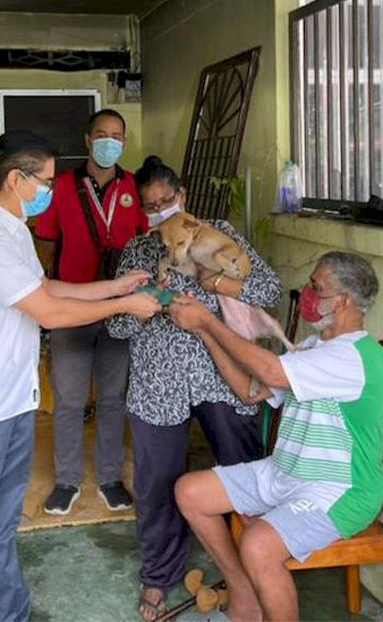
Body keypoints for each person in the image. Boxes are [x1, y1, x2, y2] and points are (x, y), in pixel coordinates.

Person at [0, 130, 160, 622]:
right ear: (15, 179)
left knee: (1, 524)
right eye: (45, 181)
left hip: (11, 400)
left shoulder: (13, 228)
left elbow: (45, 287)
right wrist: (127, 305)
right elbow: (48, 312)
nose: (50, 190)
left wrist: (117, 284)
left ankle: (10, 613)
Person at [105, 156, 283, 621]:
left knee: (245, 473)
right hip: (158, 383)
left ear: (182, 194)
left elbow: (268, 288)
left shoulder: (217, 234)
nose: (162, 211)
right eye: (152, 206)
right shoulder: (140, 250)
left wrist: (216, 280)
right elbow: (117, 328)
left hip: (221, 376)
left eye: (168, 201)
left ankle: (252, 572)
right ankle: (159, 578)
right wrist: (142, 305)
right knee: (156, 484)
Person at [168, 251, 383, 622]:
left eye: (316, 288)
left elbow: (271, 371)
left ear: (344, 301)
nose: (307, 293)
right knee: (190, 493)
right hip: (286, 472)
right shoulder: (313, 348)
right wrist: (204, 331)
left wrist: (208, 318)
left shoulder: (356, 357)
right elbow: (250, 392)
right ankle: (244, 597)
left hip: (339, 489)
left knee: (258, 546)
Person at [34, 109, 148, 516]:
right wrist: (48, 291)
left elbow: (144, 244)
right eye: (101, 134)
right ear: (87, 140)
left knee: (114, 398)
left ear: (124, 142)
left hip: (120, 311)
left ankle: (110, 478)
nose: (108, 142)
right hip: (71, 306)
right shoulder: (61, 187)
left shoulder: (134, 187)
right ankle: (66, 481)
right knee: (68, 398)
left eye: (116, 136)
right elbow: (46, 241)